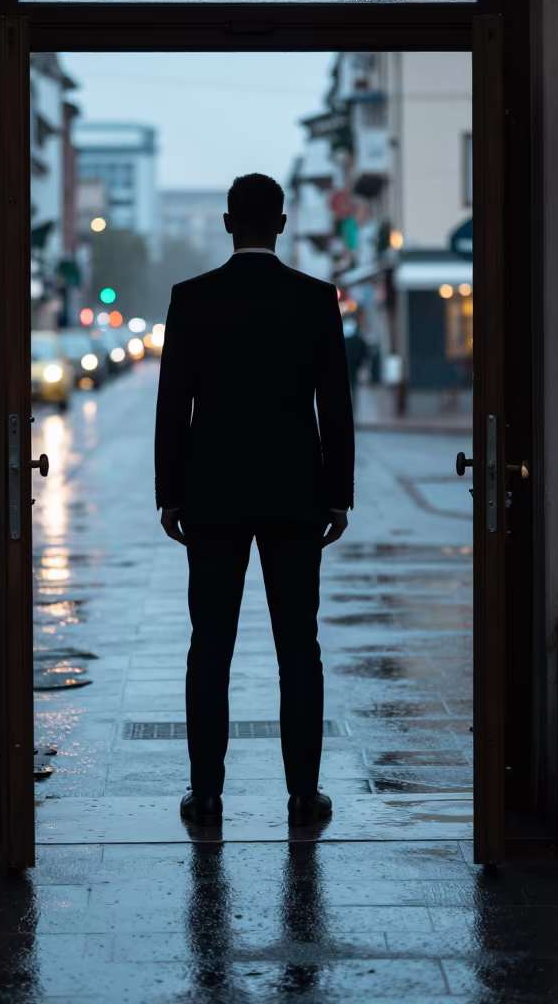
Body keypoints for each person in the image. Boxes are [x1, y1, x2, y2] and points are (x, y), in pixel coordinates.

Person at [155, 173, 354, 829]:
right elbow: (336, 406)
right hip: (297, 491)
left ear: (226, 222)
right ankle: (304, 795)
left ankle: (206, 794)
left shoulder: (192, 298)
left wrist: (170, 492)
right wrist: (339, 493)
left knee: (209, 646)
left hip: (212, 493)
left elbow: (172, 405)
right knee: (299, 646)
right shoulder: (315, 299)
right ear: (283, 223)